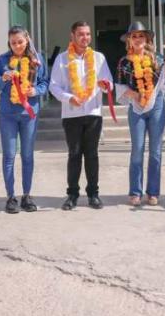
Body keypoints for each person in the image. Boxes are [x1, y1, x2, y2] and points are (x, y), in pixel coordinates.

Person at [49, 21, 114, 210]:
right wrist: (69, 98)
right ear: (72, 36)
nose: (85, 38)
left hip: (93, 112)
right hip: (71, 114)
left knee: (92, 154)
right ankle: (72, 194)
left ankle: (93, 194)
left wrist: (105, 86)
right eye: (80, 34)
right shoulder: (62, 59)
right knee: (74, 154)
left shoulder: (99, 58)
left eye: (87, 34)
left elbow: (109, 82)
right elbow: (54, 86)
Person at [0, 26, 49, 214]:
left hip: (29, 114)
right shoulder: (1, 60)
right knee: (9, 155)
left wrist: (36, 91)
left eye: (20, 41)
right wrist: (3, 79)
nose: (17, 46)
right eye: (13, 42)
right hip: (8, 114)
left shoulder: (36, 60)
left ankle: (27, 195)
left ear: (27, 39)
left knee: (27, 155)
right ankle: (10, 196)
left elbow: (45, 82)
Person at [114, 21, 165, 206]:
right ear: (129, 40)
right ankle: (135, 192)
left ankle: (153, 192)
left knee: (155, 151)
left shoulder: (157, 59)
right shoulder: (124, 62)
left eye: (141, 35)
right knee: (137, 150)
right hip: (136, 108)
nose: (138, 39)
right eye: (134, 36)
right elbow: (120, 87)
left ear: (147, 39)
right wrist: (136, 94)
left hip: (156, 106)